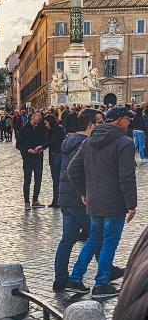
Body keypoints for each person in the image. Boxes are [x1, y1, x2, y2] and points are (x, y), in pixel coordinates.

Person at [65, 106, 139, 296]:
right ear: (120, 120)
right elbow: (127, 176)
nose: (129, 122)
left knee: (93, 240)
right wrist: (131, 204)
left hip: (94, 201)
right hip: (114, 202)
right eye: (127, 118)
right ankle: (101, 283)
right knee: (109, 242)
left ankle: (75, 278)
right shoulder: (125, 142)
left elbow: (72, 169)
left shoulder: (90, 140)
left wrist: (83, 191)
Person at [54, 108, 95, 293]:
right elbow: (77, 171)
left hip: (65, 198)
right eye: (99, 123)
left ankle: (60, 279)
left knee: (67, 240)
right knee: (96, 236)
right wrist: (83, 192)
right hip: (79, 199)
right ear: (91, 125)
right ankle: (83, 277)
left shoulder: (69, 141)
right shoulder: (85, 144)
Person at [17, 114, 49, 208]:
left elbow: (46, 140)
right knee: (27, 180)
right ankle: (27, 201)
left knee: (38, 179)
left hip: (38, 157)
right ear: (32, 118)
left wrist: (42, 147)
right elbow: (18, 144)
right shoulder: (24, 129)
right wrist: (27, 150)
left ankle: (35, 200)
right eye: (36, 120)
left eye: (39, 121)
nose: (38, 122)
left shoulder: (41, 128)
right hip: (28, 158)